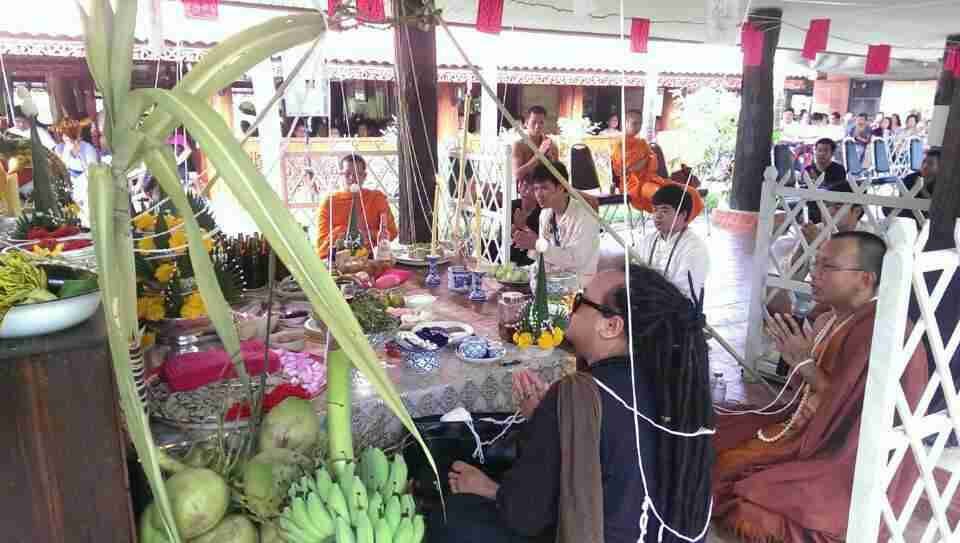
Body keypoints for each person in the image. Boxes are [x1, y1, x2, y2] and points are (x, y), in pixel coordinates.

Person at [429, 264, 714, 543]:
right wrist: (544, 420)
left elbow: (525, 515)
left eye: (580, 299)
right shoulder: (675, 390)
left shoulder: (579, 394)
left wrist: (487, 488)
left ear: (611, 326)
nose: (571, 304)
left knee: (450, 516)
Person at [714, 232, 927, 542]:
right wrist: (798, 361)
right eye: (816, 264)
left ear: (865, 279)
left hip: (845, 455)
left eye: (827, 267)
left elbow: (856, 419)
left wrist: (805, 364)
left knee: (749, 505)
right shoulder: (829, 317)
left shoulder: (882, 331)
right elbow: (809, 394)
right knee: (715, 440)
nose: (814, 274)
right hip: (804, 431)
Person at [512, 162, 599, 288]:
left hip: (579, 285)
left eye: (544, 188)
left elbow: (575, 260)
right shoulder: (545, 214)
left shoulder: (585, 216)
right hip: (552, 281)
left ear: (561, 187)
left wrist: (536, 244)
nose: (539, 194)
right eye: (536, 188)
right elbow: (544, 257)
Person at [611, 110, 704, 216]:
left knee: (690, 192)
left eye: (640, 124)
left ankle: (681, 223)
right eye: (634, 123)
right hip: (632, 184)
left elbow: (652, 161)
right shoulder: (619, 145)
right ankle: (669, 225)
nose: (638, 127)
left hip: (651, 179)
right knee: (664, 195)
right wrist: (645, 160)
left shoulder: (642, 143)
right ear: (625, 123)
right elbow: (626, 169)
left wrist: (646, 161)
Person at [634, 184, 709, 300]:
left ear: (683, 214)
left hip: (679, 312)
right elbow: (632, 272)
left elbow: (683, 293)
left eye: (665, 210)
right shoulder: (647, 241)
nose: (657, 216)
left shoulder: (694, 248)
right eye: (655, 210)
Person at [316, 154, 397, 258]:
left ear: (364, 176)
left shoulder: (376, 199)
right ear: (340, 175)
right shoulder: (329, 203)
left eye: (357, 174)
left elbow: (391, 233)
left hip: (372, 259)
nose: (352, 178)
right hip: (339, 261)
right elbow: (322, 244)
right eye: (347, 174)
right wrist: (345, 232)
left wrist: (367, 234)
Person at [512, 105, 559, 190]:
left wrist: (551, 160)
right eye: (534, 122)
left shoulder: (551, 144)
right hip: (528, 189)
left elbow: (558, 174)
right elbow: (517, 174)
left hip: (548, 190)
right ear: (526, 123)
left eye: (541, 122)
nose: (537, 126)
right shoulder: (519, 145)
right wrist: (538, 156)